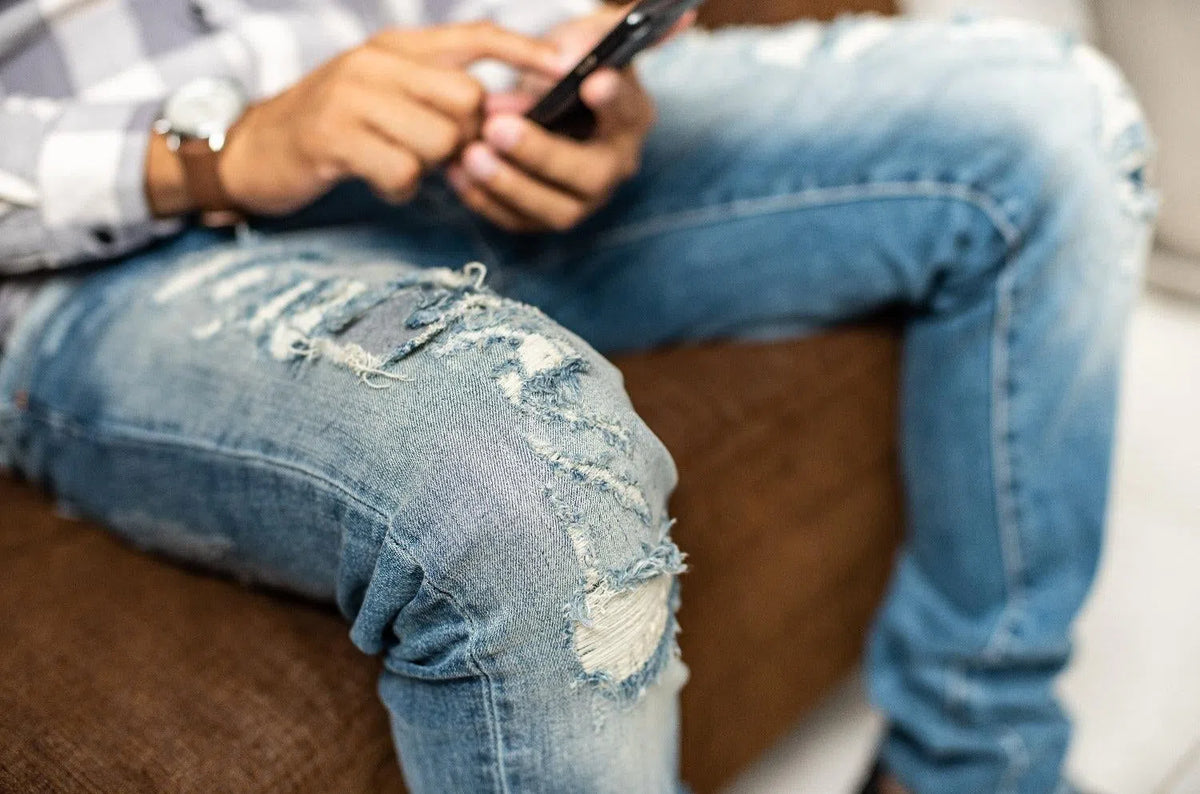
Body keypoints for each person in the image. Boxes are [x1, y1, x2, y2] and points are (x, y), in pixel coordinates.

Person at [0, 1, 1156, 792]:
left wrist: (565, 78)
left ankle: (971, 765)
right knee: (522, 468)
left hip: (451, 139)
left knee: (1054, 122)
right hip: (108, 249)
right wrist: (216, 149)